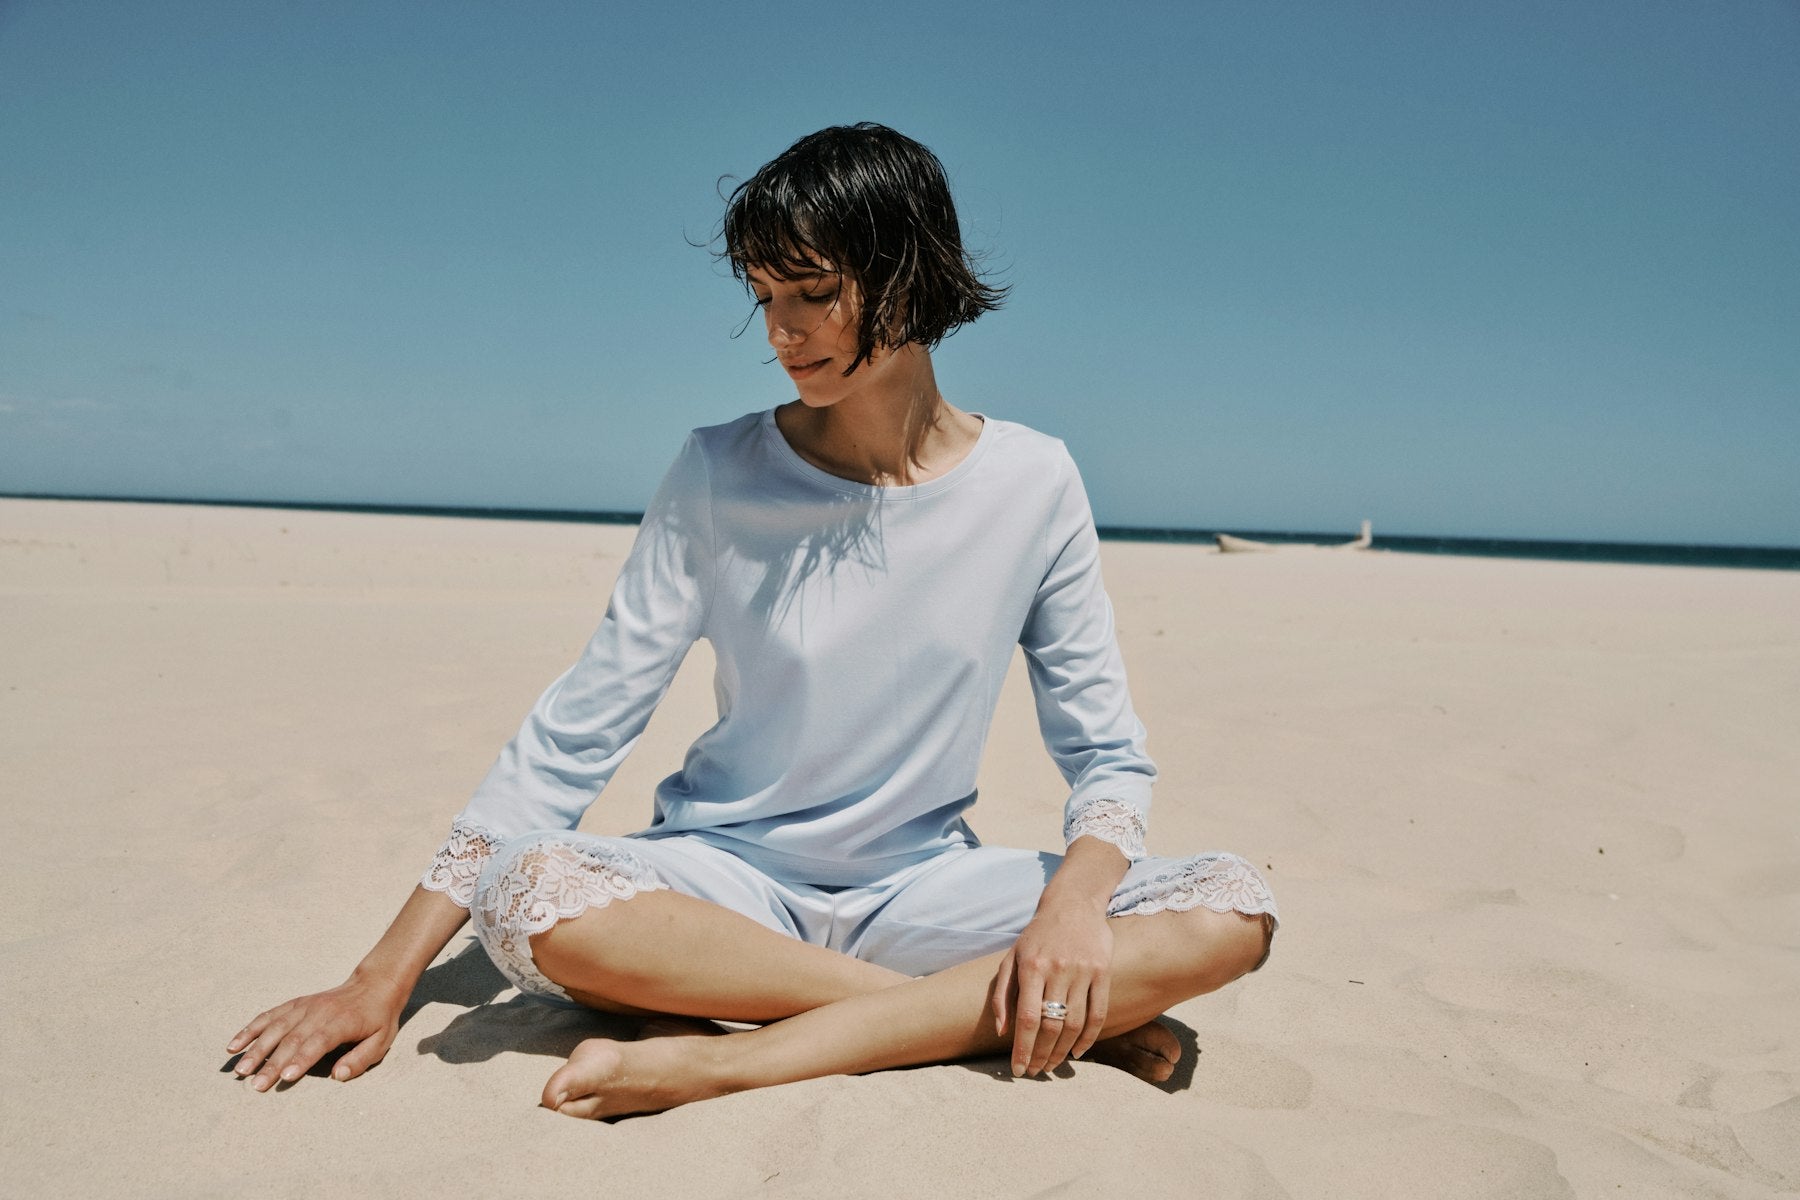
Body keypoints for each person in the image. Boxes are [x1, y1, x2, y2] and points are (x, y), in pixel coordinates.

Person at [226, 123, 1278, 1120]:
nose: (781, 332)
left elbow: (1107, 761)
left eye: (814, 293)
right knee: (528, 890)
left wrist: (1071, 912)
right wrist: (378, 979)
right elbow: (575, 731)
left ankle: (745, 1051)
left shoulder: (1034, 480)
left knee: (1234, 911)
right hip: (726, 886)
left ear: (910, 275)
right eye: (765, 296)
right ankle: (976, 1020)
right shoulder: (719, 472)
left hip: (926, 887)